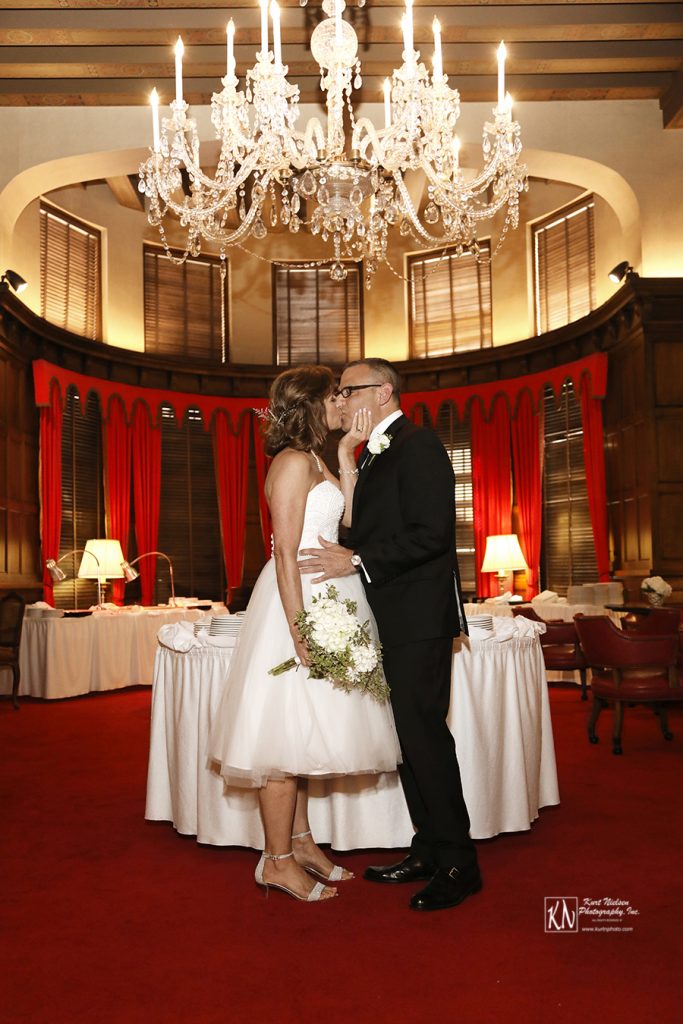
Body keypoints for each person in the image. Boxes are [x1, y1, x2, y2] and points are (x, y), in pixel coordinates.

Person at [208, 364, 401, 904]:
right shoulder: (291, 462)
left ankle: (302, 842)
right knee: (283, 742)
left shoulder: (317, 458)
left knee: (307, 735)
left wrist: (345, 459)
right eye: (335, 394)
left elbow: (349, 525)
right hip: (296, 605)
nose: (344, 400)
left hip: (330, 597)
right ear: (313, 403)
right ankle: (274, 862)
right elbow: (285, 554)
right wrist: (299, 633)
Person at [299, 357, 481, 912]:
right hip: (387, 616)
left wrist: (356, 561)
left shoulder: (419, 445)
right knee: (407, 743)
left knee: (425, 738)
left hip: (420, 618)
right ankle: (427, 848)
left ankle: (459, 862)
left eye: (347, 390)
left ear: (380, 393)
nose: (341, 400)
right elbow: (359, 527)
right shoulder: (373, 453)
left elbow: (432, 535)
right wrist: (348, 466)